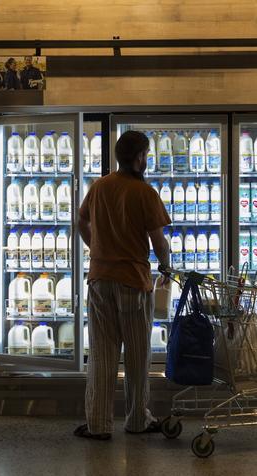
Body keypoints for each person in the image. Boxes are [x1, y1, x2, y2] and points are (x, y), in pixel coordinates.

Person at [74, 131, 171, 441]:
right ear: (139, 157)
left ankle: (98, 424)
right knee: (137, 354)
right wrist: (166, 267)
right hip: (133, 282)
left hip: (100, 280)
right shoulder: (144, 193)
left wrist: (97, 249)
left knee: (102, 354)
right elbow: (158, 241)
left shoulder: (100, 186)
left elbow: (80, 222)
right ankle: (137, 420)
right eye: (146, 154)